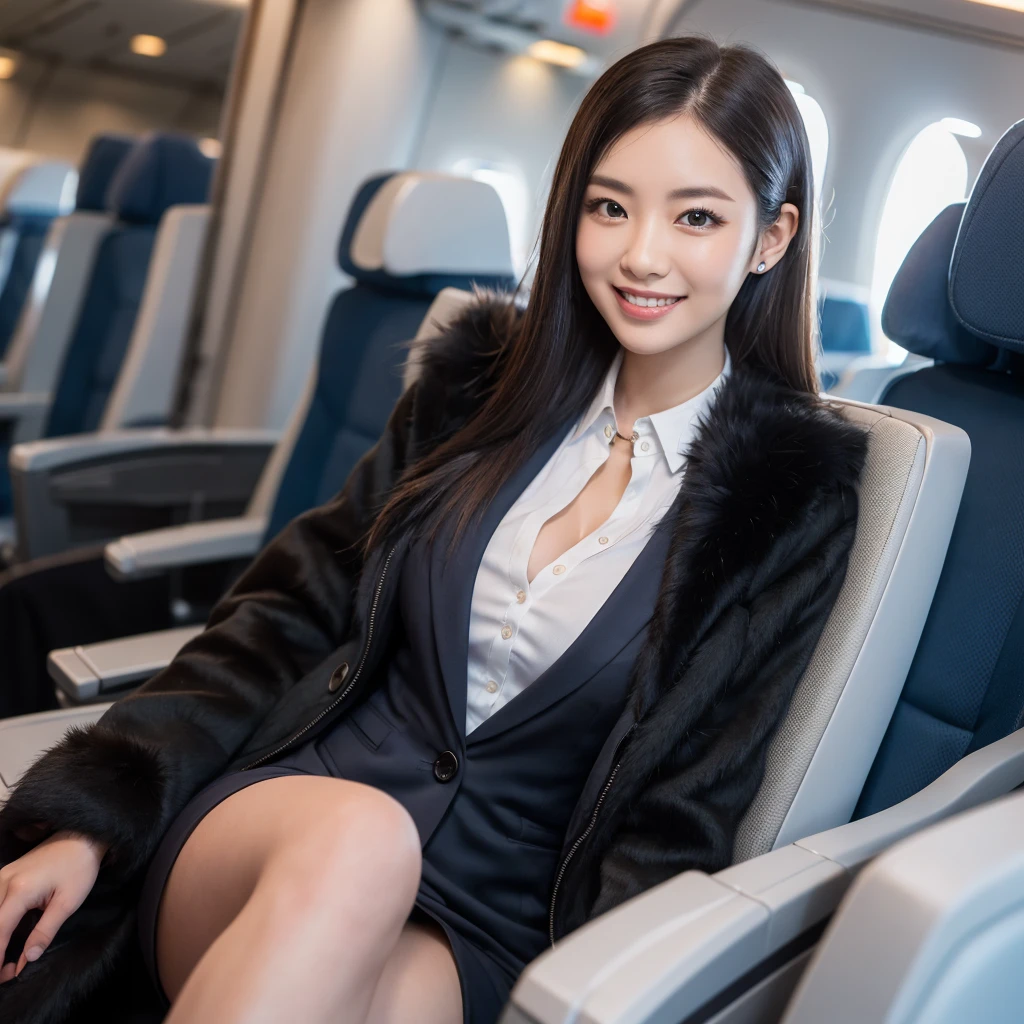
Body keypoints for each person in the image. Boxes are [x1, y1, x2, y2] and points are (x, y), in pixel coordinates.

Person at [0, 36, 866, 1024]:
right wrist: (91, 820)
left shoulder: (783, 511)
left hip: (484, 923)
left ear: (770, 237)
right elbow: (280, 615)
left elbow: (682, 813)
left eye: (696, 217)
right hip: (285, 825)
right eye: (608, 206)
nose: (640, 255)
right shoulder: (473, 395)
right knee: (361, 839)